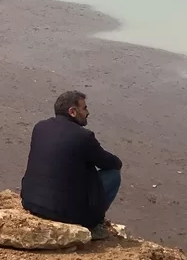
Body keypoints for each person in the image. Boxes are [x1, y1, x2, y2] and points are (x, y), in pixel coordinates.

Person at [20, 90, 122, 236]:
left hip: (31, 202)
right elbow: (110, 163)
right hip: (65, 214)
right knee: (113, 175)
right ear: (72, 112)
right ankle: (93, 223)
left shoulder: (39, 127)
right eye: (84, 108)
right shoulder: (83, 137)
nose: (87, 113)